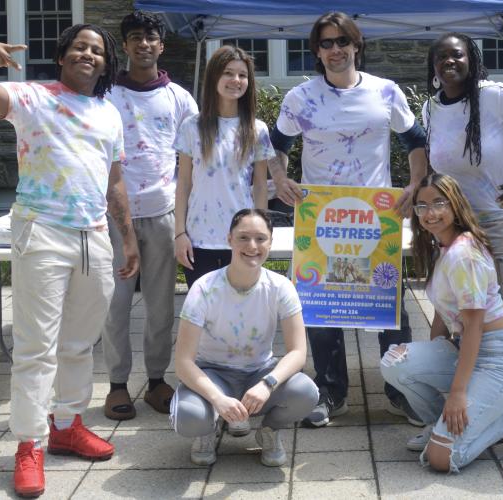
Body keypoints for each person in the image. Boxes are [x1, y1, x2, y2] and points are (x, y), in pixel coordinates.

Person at [0, 24, 139, 498]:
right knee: (36, 348)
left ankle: (67, 425)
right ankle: (29, 444)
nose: (88, 54)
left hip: (94, 237)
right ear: (62, 56)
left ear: (106, 64)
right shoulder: (32, 97)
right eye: (80, 46)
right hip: (42, 232)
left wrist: (128, 237)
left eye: (97, 50)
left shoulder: (108, 113)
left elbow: (114, 180)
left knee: (79, 345)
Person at [268, 11, 428, 427]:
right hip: (321, 219)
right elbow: (277, 144)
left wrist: (414, 187)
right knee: (321, 311)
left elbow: (415, 140)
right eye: (326, 43)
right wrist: (281, 177)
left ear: (357, 45)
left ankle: (401, 390)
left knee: (390, 310)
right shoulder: (300, 98)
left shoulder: (386, 92)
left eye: (343, 41)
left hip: (377, 220)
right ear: (316, 51)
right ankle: (330, 393)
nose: (335, 50)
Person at [380, 172, 503, 472]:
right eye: (422, 206)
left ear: (455, 205)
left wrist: (456, 394)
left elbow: (474, 328)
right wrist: (434, 356)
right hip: (468, 348)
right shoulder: (441, 247)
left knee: (441, 459)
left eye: (439, 203)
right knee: (395, 361)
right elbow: (443, 314)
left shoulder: (463, 255)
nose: (430, 213)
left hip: (498, 359)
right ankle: (440, 425)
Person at [422, 32, 503, 386]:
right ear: (433, 66)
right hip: (455, 228)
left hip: (500, 223)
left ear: (471, 59)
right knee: (455, 311)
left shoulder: (498, 97)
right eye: (441, 57)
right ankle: (469, 392)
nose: (449, 61)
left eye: (456, 54)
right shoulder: (430, 109)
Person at [102, 11, 198, 422]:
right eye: (136, 37)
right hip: (113, 216)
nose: (144, 44)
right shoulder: (104, 96)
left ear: (161, 45)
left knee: (161, 304)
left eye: (151, 37)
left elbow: (195, 157)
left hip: (163, 213)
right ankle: (117, 385)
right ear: (124, 46)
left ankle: (157, 379)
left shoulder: (179, 97)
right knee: (115, 304)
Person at [170, 209, 319, 466]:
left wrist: (268, 384)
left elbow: (298, 353)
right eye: (243, 238)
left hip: (259, 372)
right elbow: (183, 362)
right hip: (214, 374)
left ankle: (269, 431)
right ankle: (207, 429)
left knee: (306, 392)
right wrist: (217, 399)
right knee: (189, 416)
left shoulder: (281, 287)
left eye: (261, 238)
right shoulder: (204, 288)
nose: (252, 246)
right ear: (229, 239)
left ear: (270, 243)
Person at [174, 45, 273, 288]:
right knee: (204, 317)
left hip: (242, 241)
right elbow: (184, 183)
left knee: (240, 315)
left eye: (242, 75)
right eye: (228, 73)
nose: (235, 80)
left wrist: (261, 235)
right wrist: (179, 234)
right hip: (198, 241)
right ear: (214, 77)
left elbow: (260, 186)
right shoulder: (191, 127)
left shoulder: (257, 129)